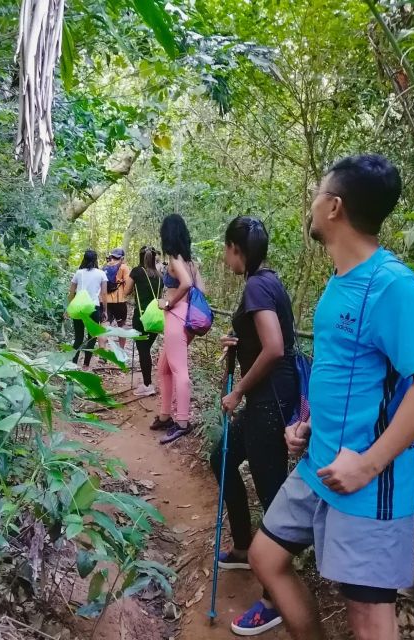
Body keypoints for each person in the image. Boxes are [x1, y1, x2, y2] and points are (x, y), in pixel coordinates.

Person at [247, 155, 414, 640]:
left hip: (368, 482)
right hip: (317, 466)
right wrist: (310, 423)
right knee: (265, 558)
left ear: (334, 207)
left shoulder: (394, 286)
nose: (312, 205)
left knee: (367, 617)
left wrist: (368, 464)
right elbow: (348, 372)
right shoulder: (340, 282)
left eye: (318, 194)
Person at [211, 217, 298, 636]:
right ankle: (246, 546)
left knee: (272, 491)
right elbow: (262, 339)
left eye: (226, 249)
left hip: (270, 401)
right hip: (268, 397)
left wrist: (237, 392)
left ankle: (274, 596)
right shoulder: (267, 280)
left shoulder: (257, 287)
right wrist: (237, 344)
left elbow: (276, 347)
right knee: (220, 455)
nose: (225, 256)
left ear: (235, 249)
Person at [151, 213, 205, 444]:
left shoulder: (174, 260)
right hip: (189, 320)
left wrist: (170, 302)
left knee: (179, 370)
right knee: (164, 367)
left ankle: (182, 421)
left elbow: (188, 284)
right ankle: (165, 415)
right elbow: (202, 288)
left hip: (176, 317)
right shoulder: (190, 262)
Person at [124, 245, 163, 397]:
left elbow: (127, 291)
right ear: (154, 258)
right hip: (156, 318)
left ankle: (148, 385)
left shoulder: (136, 271)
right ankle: (148, 383)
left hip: (141, 318)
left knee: (143, 351)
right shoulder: (160, 276)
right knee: (146, 349)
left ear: (141, 257)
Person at [68, 249, 107, 368]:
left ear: (84, 259)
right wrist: (104, 310)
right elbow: (104, 294)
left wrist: (70, 307)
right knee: (91, 337)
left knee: (78, 337)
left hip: (79, 307)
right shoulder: (101, 274)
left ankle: (73, 364)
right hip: (94, 307)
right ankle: (86, 364)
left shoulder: (79, 273)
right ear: (96, 259)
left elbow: (71, 292)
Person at [103, 248, 131, 351]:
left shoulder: (105, 266)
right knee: (121, 325)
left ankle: (103, 352)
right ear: (122, 258)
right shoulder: (124, 267)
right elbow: (128, 284)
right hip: (119, 301)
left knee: (104, 325)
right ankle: (121, 350)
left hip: (105, 301)